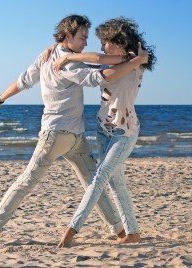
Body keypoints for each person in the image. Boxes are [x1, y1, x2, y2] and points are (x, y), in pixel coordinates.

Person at [0, 15, 149, 248]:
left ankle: (120, 230)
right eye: (82, 37)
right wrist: (134, 61)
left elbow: (23, 81)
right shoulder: (66, 62)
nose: (85, 42)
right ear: (68, 35)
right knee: (28, 181)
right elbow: (95, 78)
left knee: (95, 181)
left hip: (76, 137)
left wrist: (0, 98)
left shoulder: (49, 55)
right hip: (55, 134)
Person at [54, 17, 156, 248]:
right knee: (115, 183)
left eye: (105, 42)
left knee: (99, 177)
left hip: (125, 132)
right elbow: (95, 59)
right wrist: (64, 53)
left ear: (118, 41)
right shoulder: (111, 62)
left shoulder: (134, 61)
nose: (101, 47)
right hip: (102, 128)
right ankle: (133, 233)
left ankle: (72, 230)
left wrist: (69, 55)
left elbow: (100, 62)